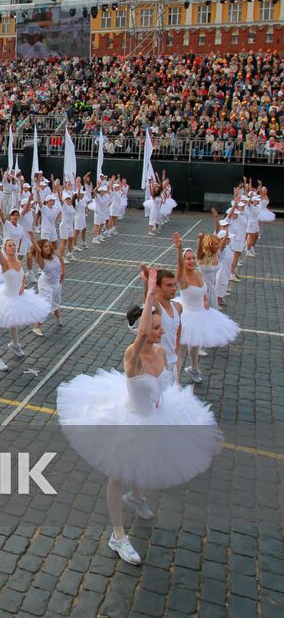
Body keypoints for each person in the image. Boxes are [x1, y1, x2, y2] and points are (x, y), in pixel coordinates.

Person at [57, 269, 223, 566]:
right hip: (131, 420)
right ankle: (118, 536)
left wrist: (155, 298)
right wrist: (148, 294)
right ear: (141, 330)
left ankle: (136, 497)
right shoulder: (132, 357)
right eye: (156, 327)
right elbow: (145, 331)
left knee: (141, 463)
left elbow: (162, 329)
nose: (160, 331)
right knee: (118, 474)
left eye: (160, 327)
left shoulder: (160, 352)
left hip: (157, 416)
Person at [0, 228, 50, 370]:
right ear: (5, 249)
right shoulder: (5, 262)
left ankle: (15, 345)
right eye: (9, 246)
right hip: (4, 298)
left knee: (14, 321)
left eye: (13, 245)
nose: (12, 247)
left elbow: (22, 275)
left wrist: (22, 286)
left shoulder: (18, 261)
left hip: (17, 296)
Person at [173, 232, 240, 384]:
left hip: (200, 313)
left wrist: (204, 300)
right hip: (186, 314)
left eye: (192, 258)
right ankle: (176, 381)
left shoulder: (198, 273)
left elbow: (203, 289)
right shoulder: (182, 278)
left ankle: (194, 369)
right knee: (181, 350)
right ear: (183, 261)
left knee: (195, 345)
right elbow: (178, 266)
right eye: (187, 258)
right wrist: (179, 249)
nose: (191, 260)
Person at [31, 238, 64, 335]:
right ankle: (36, 327)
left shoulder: (54, 254)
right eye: (45, 246)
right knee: (46, 305)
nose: (48, 248)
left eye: (49, 245)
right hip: (46, 284)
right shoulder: (40, 260)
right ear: (41, 248)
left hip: (57, 281)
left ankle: (58, 316)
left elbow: (61, 260)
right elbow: (37, 250)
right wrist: (33, 239)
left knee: (56, 300)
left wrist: (63, 273)